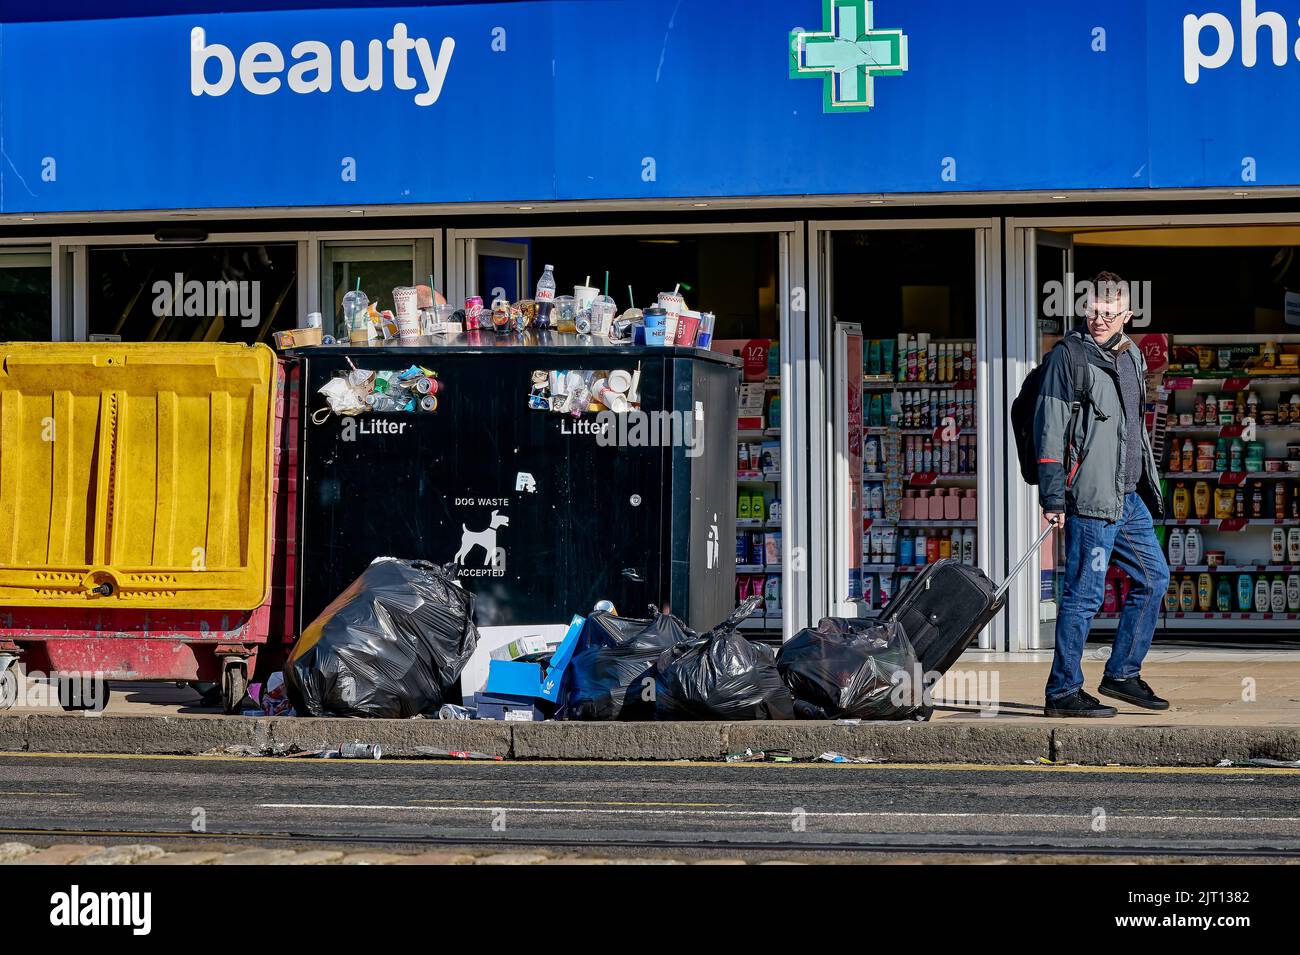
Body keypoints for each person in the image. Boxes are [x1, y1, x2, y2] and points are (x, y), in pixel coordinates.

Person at [1033, 272, 1170, 717]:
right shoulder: (1067, 358)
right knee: (1083, 595)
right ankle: (1063, 692)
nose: (1098, 320)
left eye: (1109, 314)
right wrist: (1053, 500)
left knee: (1154, 579)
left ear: (1127, 315)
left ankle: (1122, 674)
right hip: (1089, 499)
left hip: (1127, 499)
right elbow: (1049, 431)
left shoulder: (1132, 357)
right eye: (1093, 310)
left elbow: (1132, 429)